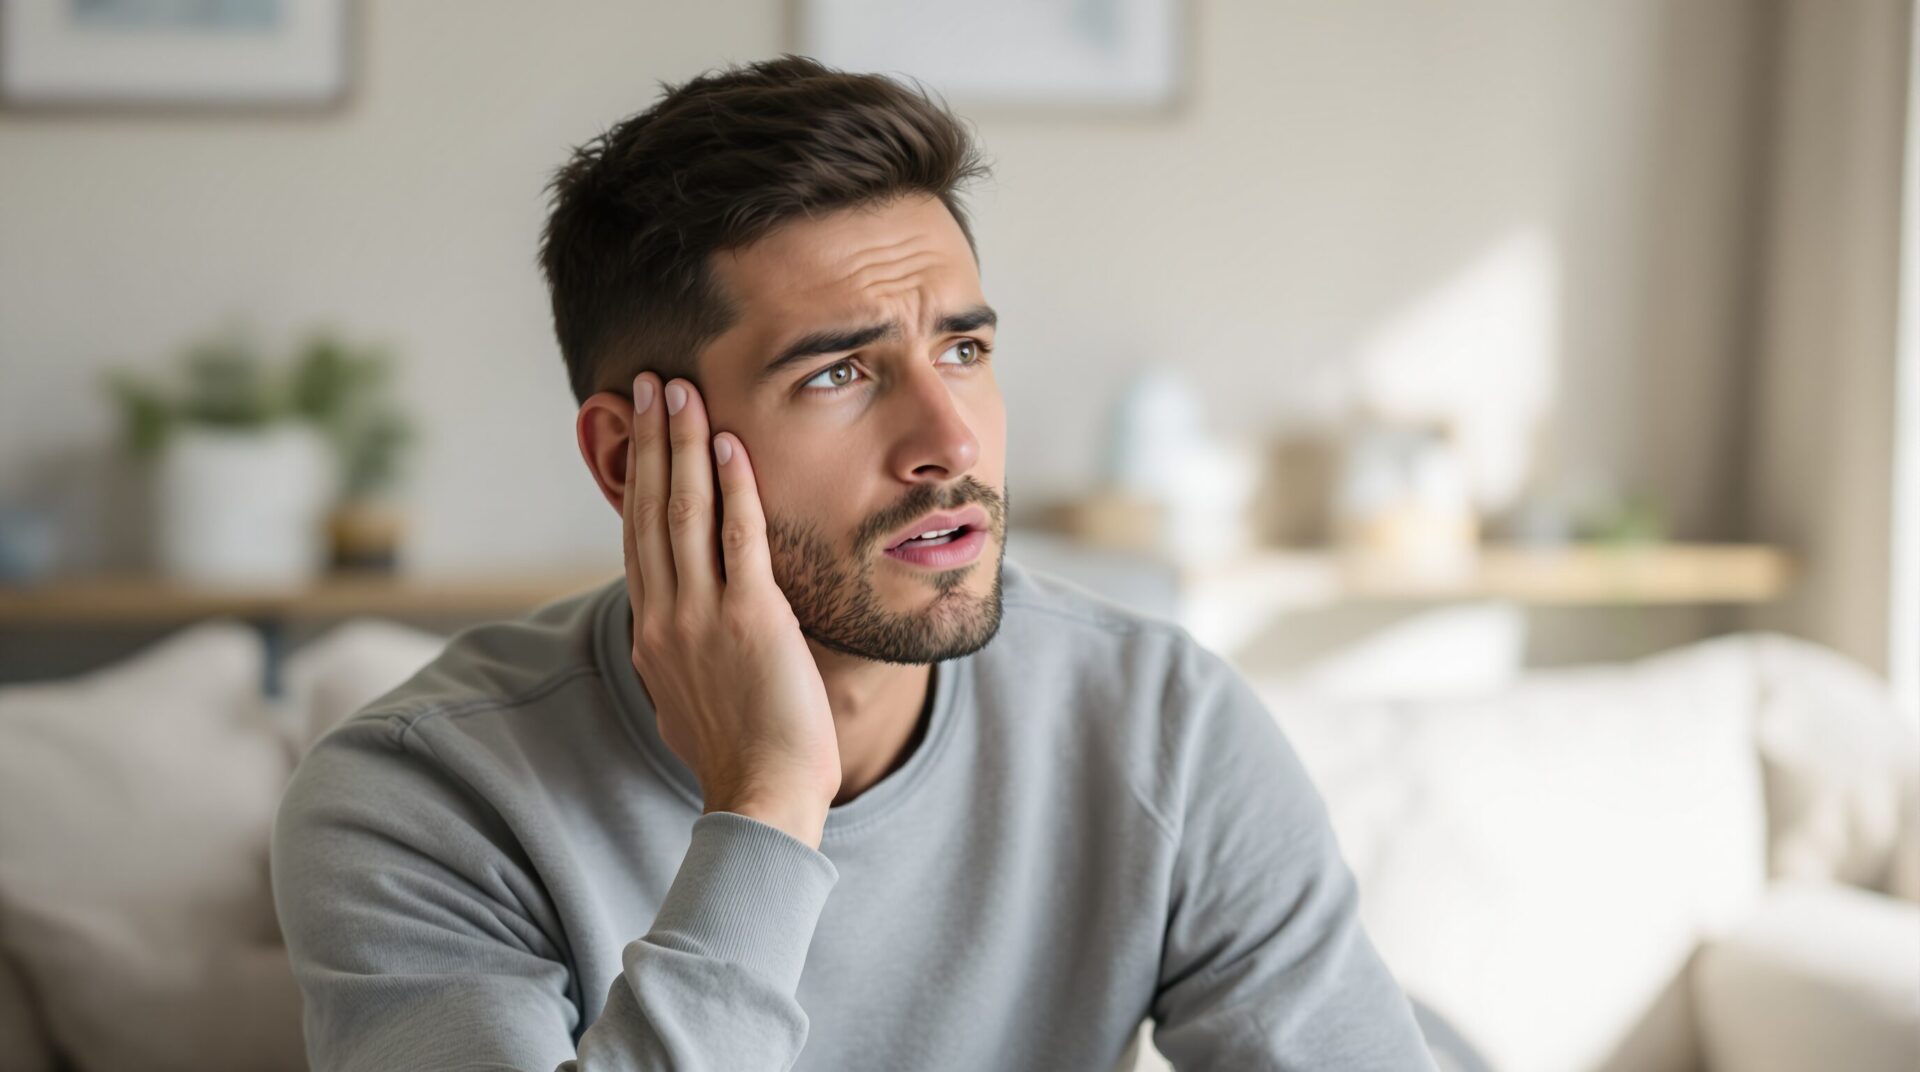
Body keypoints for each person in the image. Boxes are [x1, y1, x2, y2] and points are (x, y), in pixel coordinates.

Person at [270, 54, 1439, 1071]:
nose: (951, 441)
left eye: (964, 347)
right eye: (839, 372)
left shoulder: (1162, 727)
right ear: (632, 458)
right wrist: (771, 802)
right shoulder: (417, 800)